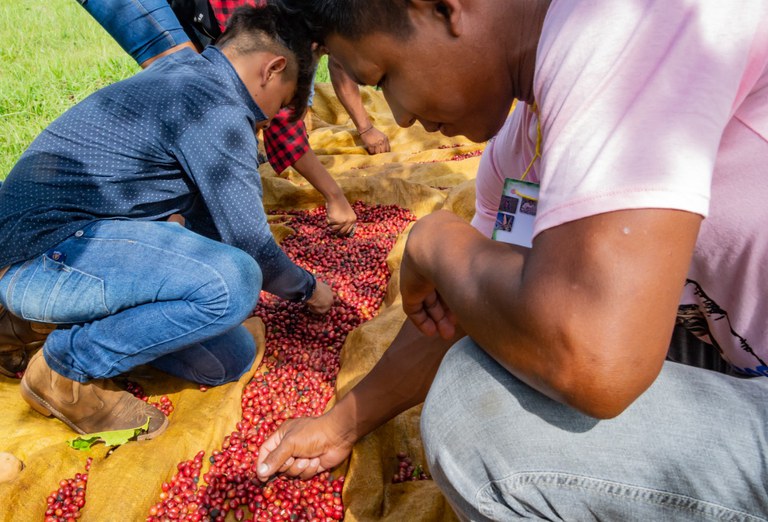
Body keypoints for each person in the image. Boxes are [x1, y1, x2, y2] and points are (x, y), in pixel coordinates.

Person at [254, 0, 768, 519]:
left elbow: (597, 361)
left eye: (384, 76)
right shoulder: (522, 149)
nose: (401, 113)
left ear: (443, 9)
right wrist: (341, 424)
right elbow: (464, 307)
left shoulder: (638, 19)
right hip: (738, 357)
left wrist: (435, 241)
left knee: (474, 419)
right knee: (512, 332)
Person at [0, 2, 333, 440]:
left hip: (53, 252)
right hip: (42, 257)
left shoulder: (186, 76)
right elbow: (252, 250)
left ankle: (22, 327)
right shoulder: (217, 109)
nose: (268, 121)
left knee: (228, 359)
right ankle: (66, 369)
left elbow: (209, 225)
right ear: (272, 69)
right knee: (234, 281)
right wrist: (308, 288)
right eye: (281, 104)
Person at [76, 0, 391, 237]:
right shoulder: (257, 20)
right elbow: (279, 123)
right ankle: (166, 224)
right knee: (192, 92)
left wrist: (364, 128)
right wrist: (334, 195)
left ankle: (187, 216)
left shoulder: (298, 24)